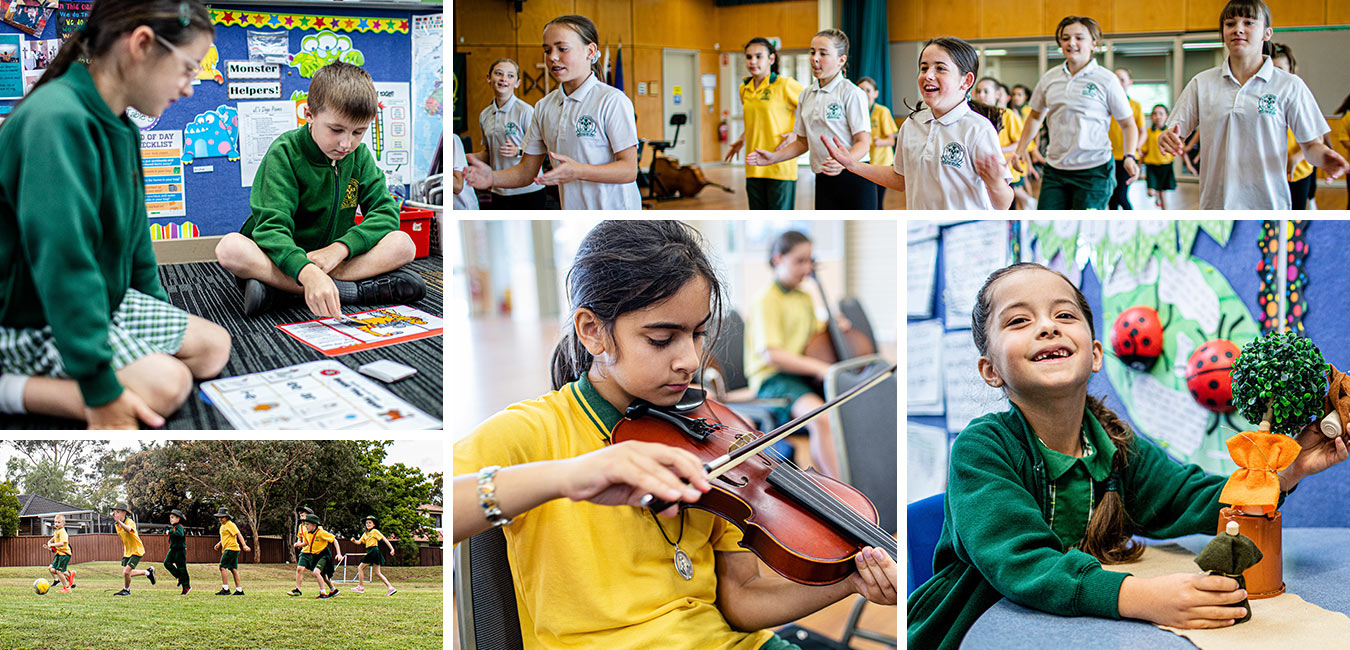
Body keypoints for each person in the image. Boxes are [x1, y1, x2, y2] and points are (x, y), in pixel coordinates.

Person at [454, 220, 896, 649]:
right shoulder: (533, 431)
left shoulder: (714, 432)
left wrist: (850, 579)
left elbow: (742, 599)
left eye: (699, 334)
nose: (690, 359)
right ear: (592, 331)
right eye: (662, 339)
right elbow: (438, 511)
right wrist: (565, 476)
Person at [906, 262, 1350, 648]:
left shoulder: (1115, 444)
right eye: (1019, 321)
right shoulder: (982, 447)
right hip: (964, 632)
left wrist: (1284, 474)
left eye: (1064, 314)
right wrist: (1142, 597)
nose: (1048, 326)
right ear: (990, 370)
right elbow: (1024, 564)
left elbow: (1192, 498)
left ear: (1096, 354)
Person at [0, 0, 231, 429]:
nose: (188, 88)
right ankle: (11, 389)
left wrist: (154, 327)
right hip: (27, 316)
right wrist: (100, 389)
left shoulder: (121, 125)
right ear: (142, 44)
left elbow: (136, 238)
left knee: (213, 346)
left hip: (100, 300)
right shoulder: (57, 119)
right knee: (168, 385)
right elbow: (64, 264)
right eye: (188, 68)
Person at [215, 61, 423, 318]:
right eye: (336, 130)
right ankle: (349, 291)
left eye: (359, 132)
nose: (347, 143)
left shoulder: (359, 156)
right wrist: (306, 269)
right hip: (283, 257)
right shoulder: (285, 153)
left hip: (333, 258)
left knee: (404, 244)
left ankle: (281, 290)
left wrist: (339, 249)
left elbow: (385, 212)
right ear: (309, 114)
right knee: (230, 248)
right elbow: (271, 228)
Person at [1160, 0, 1348, 209]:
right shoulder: (1201, 83)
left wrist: (1324, 158)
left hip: (1270, 206)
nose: (1238, 29)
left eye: (1249, 22)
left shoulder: (1289, 85)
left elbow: (1312, 145)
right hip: (1215, 207)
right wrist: (1168, 139)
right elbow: (1174, 133)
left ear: (1267, 33)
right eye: (1230, 24)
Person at [462, 15, 641, 210]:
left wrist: (579, 171)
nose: (552, 57)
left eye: (562, 49)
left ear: (590, 51)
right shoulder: (544, 106)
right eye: (547, 50)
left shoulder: (611, 100)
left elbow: (629, 169)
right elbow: (526, 171)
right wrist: (491, 177)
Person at [824, 37, 1011, 210]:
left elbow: (1003, 204)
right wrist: (852, 164)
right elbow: (900, 178)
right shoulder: (912, 124)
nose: (928, 75)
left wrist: (995, 184)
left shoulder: (978, 129)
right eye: (924, 68)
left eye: (940, 68)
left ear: (966, 81)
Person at [744, 230, 851, 478]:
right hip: (774, 379)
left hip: (799, 377)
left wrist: (834, 325)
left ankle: (829, 477)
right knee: (821, 417)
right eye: (800, 261)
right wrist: (818, 368)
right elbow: (772, 355)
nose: (807, 268)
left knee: (843, 415)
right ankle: (840, 491)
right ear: (777, 259)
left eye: (810, 260)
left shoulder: (804, 297)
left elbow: (812, 337)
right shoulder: (766, 300)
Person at [1013, 16, 1140, 209]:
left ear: (1093, 44)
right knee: (1047, 225)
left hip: (1094, 170)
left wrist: (1130, 156)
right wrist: (1020, 150)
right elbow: (1035, 116)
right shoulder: (1049, 78)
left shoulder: (1107, 80)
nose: (1071, 43)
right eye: (1065, 38)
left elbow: (1128, 124)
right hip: (1055, 169)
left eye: (1079, 38)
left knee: (1084, 229)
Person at [747, 29, 874, 209]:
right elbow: (802, 142)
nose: (815, 58)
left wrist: (844, 162)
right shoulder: (806, 94)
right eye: (812, 52)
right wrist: (773, 157)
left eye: (823, 54)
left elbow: (863, 143)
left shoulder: (852, 93)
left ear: (841, 60)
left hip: (856, 176)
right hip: (823, 177)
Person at [725, 38, 804, 210]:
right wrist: (741, 139)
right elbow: (755, 121)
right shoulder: (744, 88)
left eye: (758, 56)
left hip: (780, 166)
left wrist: (797, 134)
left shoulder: (785, 85)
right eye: (749, 57)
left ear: (771, 59)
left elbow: (813, 110)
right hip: (753, 165)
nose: (752, 61)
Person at [474, 58, 546, 209]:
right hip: (499, 190)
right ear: (489, 78)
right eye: (499, 74)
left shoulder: (526, 111)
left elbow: (542, 149)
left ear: (517, 83)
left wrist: (518, 150)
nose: (504, 79)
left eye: (510, 76)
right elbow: (489, 153)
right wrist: (465, 158)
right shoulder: (484, 115)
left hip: (528, 190)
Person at [1269, 43, 1315, 210]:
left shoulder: (1300, 97)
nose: (1276, 74)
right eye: (1272, 69)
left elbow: (1318, 138)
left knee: (1295, 218)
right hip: (1271, 174)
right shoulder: (1262, 98)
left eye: (1280, 69)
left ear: (1291, 70)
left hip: (1298, 173)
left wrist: (1297, 157)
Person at [1106, 68, 1145, 210]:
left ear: (1130, 82)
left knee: (1121, 195)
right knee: (1112, 198)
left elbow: (1142, 132)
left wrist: (1135, 148)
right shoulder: (1106, 104)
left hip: (1126, 158)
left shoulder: (1135, 106)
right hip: (1108, 157)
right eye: (1115, 79)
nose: (1118, 83)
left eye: (1122, 79)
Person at [858, 77, 898, 208]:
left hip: (881, 163)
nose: (864, 93)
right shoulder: (856, 112)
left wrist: (878, 142)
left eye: (867, 90)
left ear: (875, 93)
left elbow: (891, 140)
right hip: (864, 164)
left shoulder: (882, 112)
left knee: (877, 201)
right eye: (860, 90)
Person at [111, 502, 155, 596]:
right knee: (127, 573)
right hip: (127, 552)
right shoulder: (116, 524)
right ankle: (148, 572)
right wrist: (118, 523)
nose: (115, 514)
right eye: (115, 512)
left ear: (124, 513)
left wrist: (119, 522)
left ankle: (126, 590)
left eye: (118, 512)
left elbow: (128, 529)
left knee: (126, 572)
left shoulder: (129, 522)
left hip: (136, 550)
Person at [1140, 104, 1177, 209]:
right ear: (1152, 116)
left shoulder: (1169, 132)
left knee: (1163, 193)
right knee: (1150, 192)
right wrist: (1138, 166)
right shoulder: (1148, 132)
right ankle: (1156, 196)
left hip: (1166, 166)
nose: (1158, 116)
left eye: (1161, 114)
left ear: (1166, 116)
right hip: (1152, 166)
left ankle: (1165, 211)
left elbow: (1180, 149)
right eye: (1155, 114)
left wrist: (1188, 164)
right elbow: (1143, 151)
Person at [300, 513, 344, 599]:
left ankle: (323, 593)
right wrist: (299, 545)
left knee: (316, 572)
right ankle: (333, 590)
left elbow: (334, 540)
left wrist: (339, 553)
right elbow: (306, 543)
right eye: (305, 525)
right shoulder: (307, 533)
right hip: (315, 556)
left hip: (324, 555)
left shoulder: (321, 533)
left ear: (314, 525)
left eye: (308, 524)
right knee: (323, 575)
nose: (306, 526)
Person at [352, 515, 397, 596]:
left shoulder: (374, 531)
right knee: (377, 572)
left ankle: (360, 587)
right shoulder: (366, 533)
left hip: (373, 550)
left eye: (370, 523)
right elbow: (359, 542)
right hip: (370, 551)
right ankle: (390, 588)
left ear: (374, 525)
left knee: (360, 567)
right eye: (366, 523)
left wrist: (392, 549)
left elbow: (384, 539)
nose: (368, 524)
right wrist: (354, 541)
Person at [212, 507, 250, 595]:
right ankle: (239, 590)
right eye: (219, 517)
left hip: (231, 548)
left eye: (222, 517)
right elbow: (226, 537)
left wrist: (244, 545)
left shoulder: (230, 524)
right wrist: (219, 543)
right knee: (233, 569)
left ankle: (225, 589)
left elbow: (238, 534)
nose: (220, 519)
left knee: (222, 567)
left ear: (227, 517)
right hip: (231, 549)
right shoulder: (223, 526)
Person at [163, 509, 190, 594]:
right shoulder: (173, 527)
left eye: (173, 517)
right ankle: (179, 576)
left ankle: (186, 587)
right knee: (167, 563)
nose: (171, 519)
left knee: (182, 568)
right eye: (170, 517)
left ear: (178, 519)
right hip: (173, 550)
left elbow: (180, 534)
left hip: (180, 550)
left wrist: (170, 532)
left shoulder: (179, 527)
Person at [46, 513, 74, 593]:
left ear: (63, 523)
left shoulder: (63, 532)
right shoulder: (57, 531)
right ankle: (69, 575)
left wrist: (52, 544)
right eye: (55, 522)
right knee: (52, 569)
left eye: (59, 522)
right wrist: (49, 541)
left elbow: (62, 543)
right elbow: (55, 537)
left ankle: (67, 588)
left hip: (64, 554)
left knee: (59, 571)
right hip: (59, 554)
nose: (56, 524)